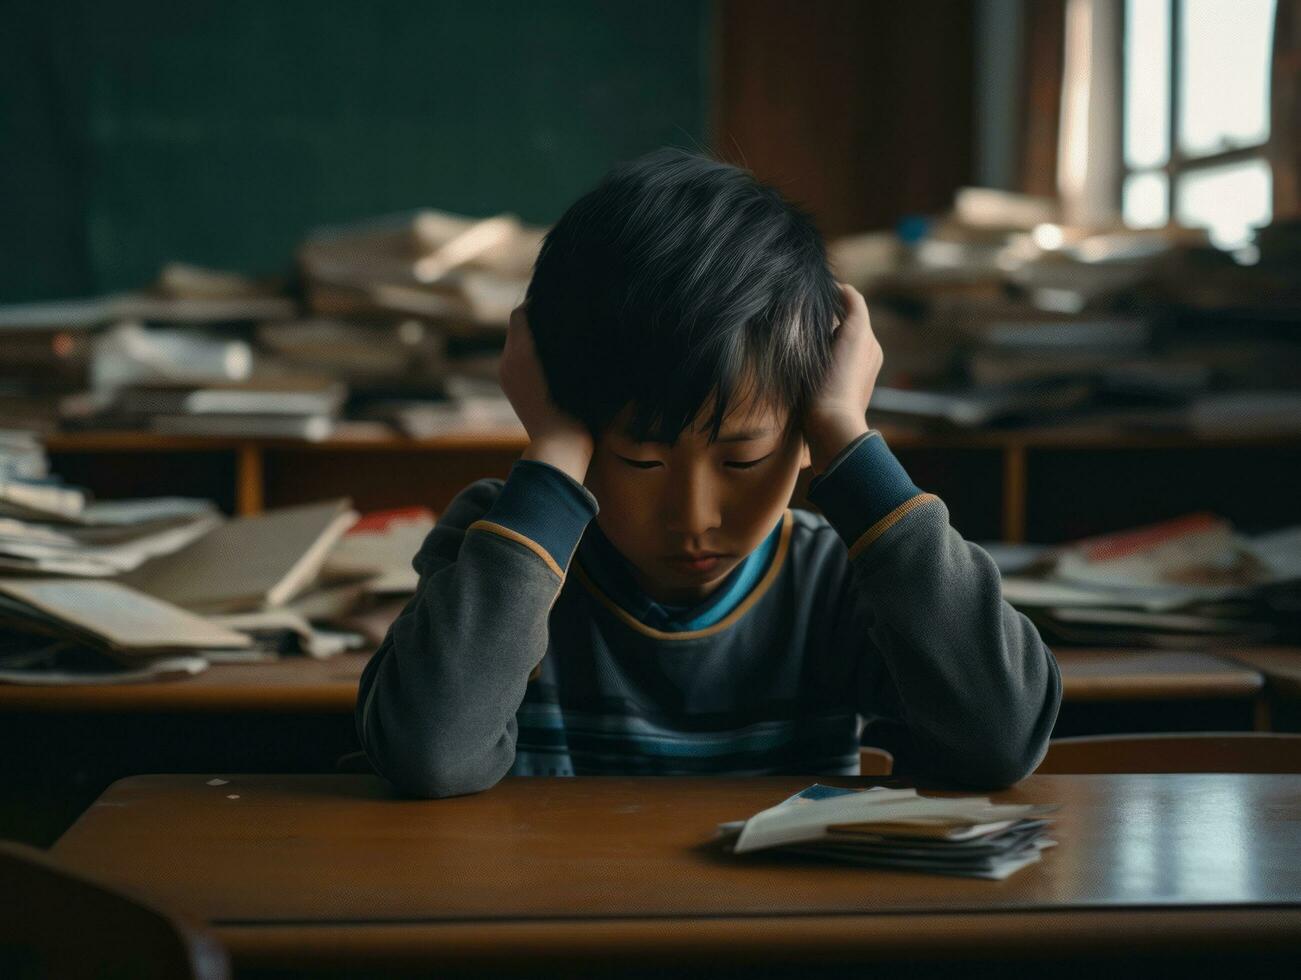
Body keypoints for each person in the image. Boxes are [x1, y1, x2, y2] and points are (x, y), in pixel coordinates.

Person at [356, 148, 1061, 798]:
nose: (693, 517)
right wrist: (551, 458)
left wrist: (849, 434)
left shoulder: (834, 576)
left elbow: (997, 741)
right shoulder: (503, 547)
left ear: (804, 432)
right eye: (640, 460)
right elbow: (430, 756)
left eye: (742, 459)